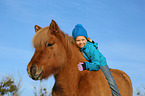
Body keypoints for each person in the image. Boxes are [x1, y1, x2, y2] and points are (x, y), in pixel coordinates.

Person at [72, 24, 121, 96]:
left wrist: (86, 65)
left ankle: (116, 95)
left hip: (100, 63)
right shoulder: (77, 49)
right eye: (78, 40)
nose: (81, 42)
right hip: (90, 63)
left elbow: (96, 65)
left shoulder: (91, 48)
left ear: (86, 39)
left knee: (110, 80)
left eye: (83, 40)